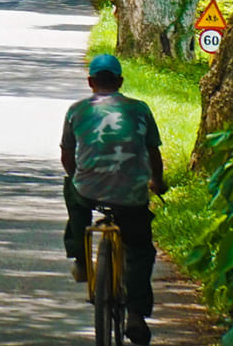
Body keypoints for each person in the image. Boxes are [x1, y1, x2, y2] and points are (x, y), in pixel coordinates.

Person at [62, 54, 167, 345]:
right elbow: (153, 154)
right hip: (131, 194)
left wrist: (77, 177)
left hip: (88, 189)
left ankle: (81, 259)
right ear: (120, 81)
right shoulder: (140, 109)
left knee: (72, 190)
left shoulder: (77, 111)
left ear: (90, 81)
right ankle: (135, 313)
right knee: (140, 249)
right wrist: (157, 183)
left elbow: (67, 157)